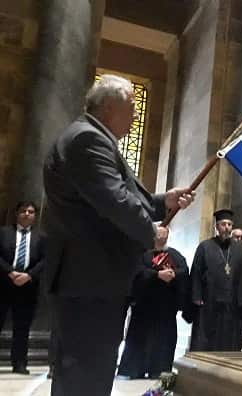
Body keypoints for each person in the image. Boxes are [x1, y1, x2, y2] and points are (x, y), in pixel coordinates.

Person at [42, 74, 194, 396]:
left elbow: (118, 198)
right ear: (111, 108)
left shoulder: (91, 137)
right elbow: (113, 200)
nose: (136, 115)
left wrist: (161, 201)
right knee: (86, 372)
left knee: (91, 369)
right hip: (89, 277)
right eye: (132, 107)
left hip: (93, 278)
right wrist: (148, 230)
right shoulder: (88, 139)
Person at [117, 226, 189, 379]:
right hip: (144, 308)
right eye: (159, 231)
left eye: (165, 232)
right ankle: (133, 370)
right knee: (139, 340)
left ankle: (159, 370)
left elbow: (184, 272)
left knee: (164, 342)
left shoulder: (175, 255)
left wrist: (173, 274)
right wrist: (157, 275)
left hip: (166, 309)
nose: (162, 235)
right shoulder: (143, 254)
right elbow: (137, 273)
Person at [190, 209, 242, 351]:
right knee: (207, 341)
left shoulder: (239, 250)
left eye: (230, 225)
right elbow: (196, 272)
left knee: (229, 341)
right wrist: (197, 296)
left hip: (231, 306)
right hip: (209, 303)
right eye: (223, 224)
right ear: (216, 227)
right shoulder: (205, 247)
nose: (227, 227)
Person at [0, 201, 46, 374]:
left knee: (22, 328)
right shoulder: (4, 233)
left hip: (28, 287)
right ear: (17, 213)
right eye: (23, 211)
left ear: (35, 216)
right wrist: (10, 272)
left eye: (31, 212)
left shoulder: (41, 237)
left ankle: (19, 363)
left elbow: (45, 260)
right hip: (4, 284)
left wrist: (29, 275)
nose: (27, 214)